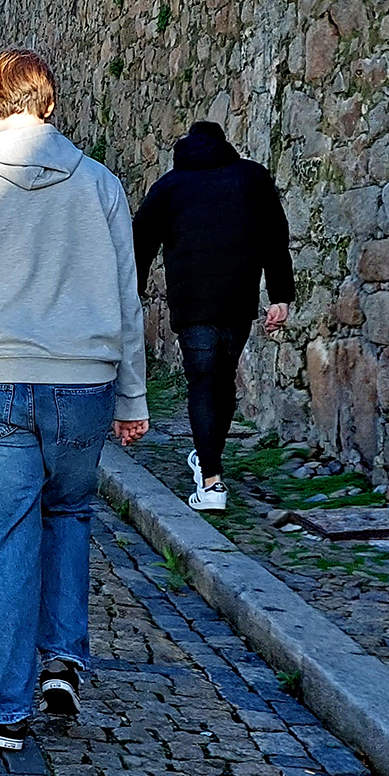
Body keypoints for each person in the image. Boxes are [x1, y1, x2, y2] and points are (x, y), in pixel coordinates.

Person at [0, 48, 148, 750]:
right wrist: (132, 394)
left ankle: (8, 704)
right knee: (71, 514)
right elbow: (125, 297)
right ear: (48, 104)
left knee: (9, 533)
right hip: (83, 379)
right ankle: (64, 658)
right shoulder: (101, 184)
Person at [132, 120, 294, 514]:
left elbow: (139, 238)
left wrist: (130, 292)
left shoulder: (169, 186)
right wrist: (280, 297)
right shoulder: (252, 177)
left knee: (203, 380)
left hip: (192, 303)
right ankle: (209, 463)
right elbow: (275, 237)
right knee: (222, 380)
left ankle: (211, 480)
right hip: (237, 298)